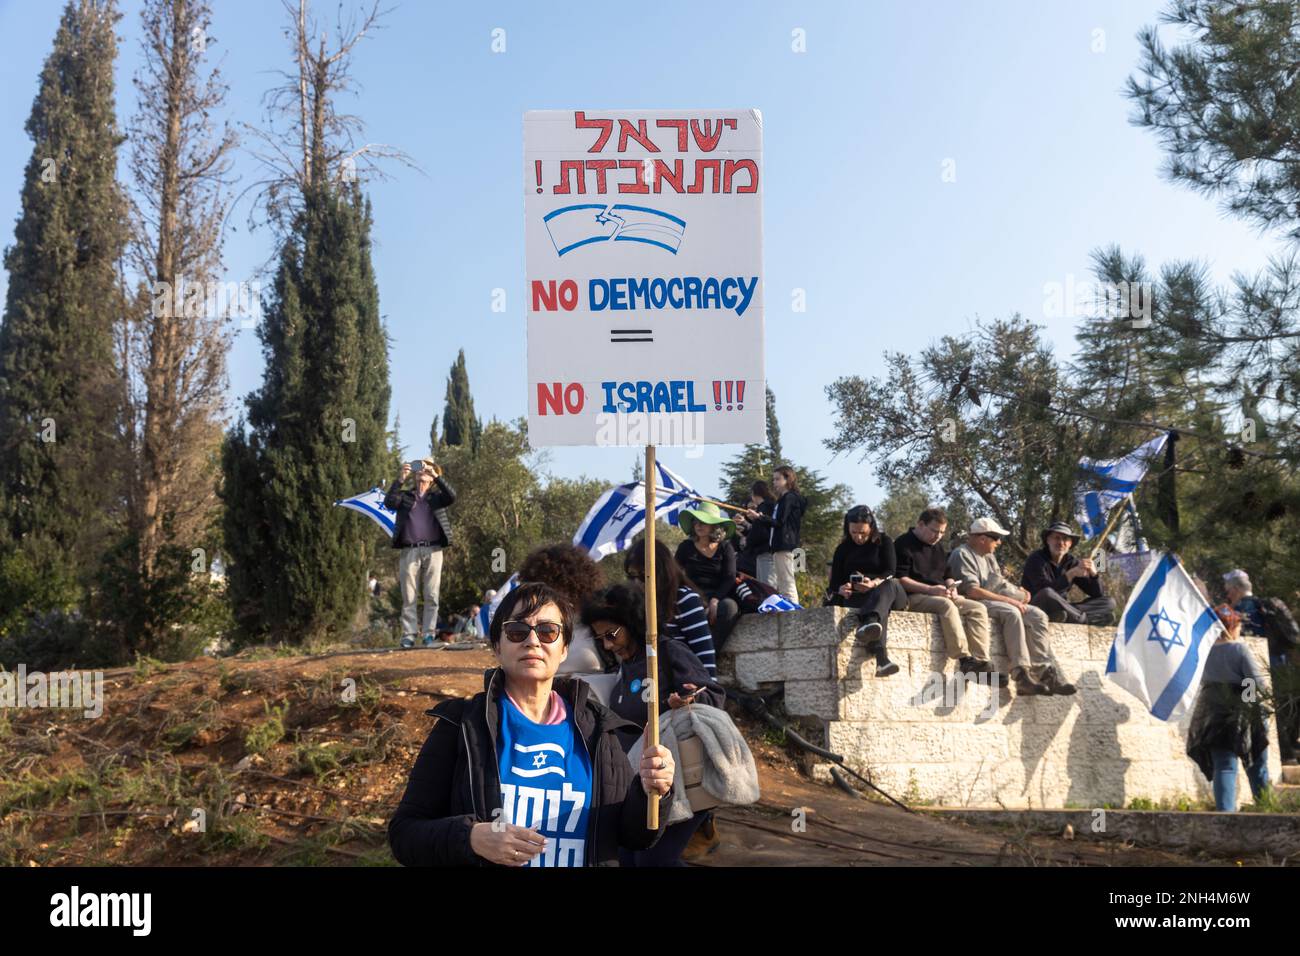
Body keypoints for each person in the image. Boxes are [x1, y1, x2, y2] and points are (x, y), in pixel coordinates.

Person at [387, 582, 676, 866]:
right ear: (497, 647)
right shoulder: (461, 726)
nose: (533, 641)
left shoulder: (599, 731)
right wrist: (472, 837)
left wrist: (654, 791)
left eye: (548, 631)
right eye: (516, 630)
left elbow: (635, 836)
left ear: (564, 649)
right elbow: (405, 836)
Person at [582, 583, 725, 866]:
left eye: (611, 635)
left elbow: (714, 695)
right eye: (600, 639)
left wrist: (688, 699)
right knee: (627, 857)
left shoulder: (669, 653)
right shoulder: (623, 665)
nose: (608, 645)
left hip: (682, 782)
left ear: (632, 621)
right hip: (640, 787)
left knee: (654, 860)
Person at [947, 517, 1074, 696]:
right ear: (982, 538)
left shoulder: (988, 556)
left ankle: (1045, 672)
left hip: (993, 600)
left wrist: (1019, 594)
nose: (999, 542)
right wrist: (1011, 601)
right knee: (1012, 612)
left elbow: (998, 583)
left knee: (1037, 615)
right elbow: (973, 591)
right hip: (973, 602)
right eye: (996, 538)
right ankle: (1021, 675)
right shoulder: (962, 554)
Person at [1186, 605, 1272, 812]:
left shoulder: (1202, 650)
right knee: (1257, 761)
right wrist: (1249, 704)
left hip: (1211, 712)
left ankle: (1225, 815)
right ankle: (1265, 809)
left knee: (1224, 765)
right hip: (1241, 709)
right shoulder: (1238, 649)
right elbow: (1256, 682)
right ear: (1232, 627)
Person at [894, 507, 995, 677]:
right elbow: (901, 579)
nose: (938, 536)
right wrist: (930, 589)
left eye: (942, 532)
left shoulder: (938, 547)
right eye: (935, 531)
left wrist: (952, 587)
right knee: (946, 605)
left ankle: (981, 661)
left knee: (978, 608)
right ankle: (964, 658)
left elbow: (947, 574)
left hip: (940, 593)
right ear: (920, 524)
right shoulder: (903, 544)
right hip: (914, 596)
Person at [518, 544, 616, 704]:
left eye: (555, 588)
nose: (549, 597)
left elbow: (628, 673)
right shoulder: (528, 631)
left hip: (598, 716)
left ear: (575, 586)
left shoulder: (601, 626)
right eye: (541, 589)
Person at [1224, 569, 1299, 764]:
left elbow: (1242, 645)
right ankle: (1290, 749)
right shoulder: (1265, 605)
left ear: (1236, 589)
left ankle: (1275, 753)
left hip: (1253, 672)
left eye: (1229, 588)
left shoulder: (1238, 611)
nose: (1227, 592)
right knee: (1284, 706)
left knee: (1253, 707)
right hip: (1282, 666)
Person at [827, 505, 908, 677]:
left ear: (871, 527)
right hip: (862, 598)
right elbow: (834, 584)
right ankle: (882, 659)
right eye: (854, 532)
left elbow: (891, 571)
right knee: (878, 611)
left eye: (863, 532)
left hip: (889, 591)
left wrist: (873, 583)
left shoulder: (884, 541)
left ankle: (870, 621)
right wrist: (842, 589)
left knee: (887, 587)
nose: (858, 537)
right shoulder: (842, 549)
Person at [384, 458, 456, 649]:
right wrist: (400, 479)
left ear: (432, 476)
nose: (422, 471)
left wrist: (436, 476)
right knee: (409, 596)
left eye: (426, 469)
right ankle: (408, 635)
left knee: (432, 594)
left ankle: (429, 635)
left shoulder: (436, 498)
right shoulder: (406, 497)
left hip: (433, 550)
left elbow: (452, 496)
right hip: (410, 551)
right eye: (419, 468)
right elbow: (389, 501)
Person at [625, 538, 718, 677]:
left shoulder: (685, 600)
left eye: (644, 575)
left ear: (660, 570)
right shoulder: (635, 605)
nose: (638, 582)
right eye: (632, 576)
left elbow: (705, 659)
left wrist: (705, 695)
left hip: (682, 687)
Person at [674, 501, 742, 653]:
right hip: (692, 595)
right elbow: (674, 574)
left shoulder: (725, 547)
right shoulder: (685, 547)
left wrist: (715, 600)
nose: (699, 525)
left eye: (704, 522)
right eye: (696, 521)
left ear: (715, 526)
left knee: (730, 607)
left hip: (719, 596)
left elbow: (730, 577)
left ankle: (709, 656)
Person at [1021, 522, 1116, 626]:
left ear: (1070, 544)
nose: (1061, 543)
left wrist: (1094, 574)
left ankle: (1064, 616)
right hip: (1037, 605)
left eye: (1065, 539)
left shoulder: (1072, 562)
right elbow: (1043, 590)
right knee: (1047, 593)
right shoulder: (1036, 559)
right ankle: (1084, 619)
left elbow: (1097, 594)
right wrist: (1070, 575)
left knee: (1109, 602)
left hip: (1063, 607)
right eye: (1057, 538)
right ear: (1048, 540)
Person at [743, 466, 805, 604]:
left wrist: (760, 517)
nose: (774, 483)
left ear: (788, 479)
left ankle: (792, 612)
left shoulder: (790, 497)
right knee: (783, 584)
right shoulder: (783, 499)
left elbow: (780, 522)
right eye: (774, 479)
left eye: (778, 479)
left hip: (785, 544)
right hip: (778, 545)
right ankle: (787, 609)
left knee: (786, 583)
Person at [740, 481, 776, 585]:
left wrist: (749, 541)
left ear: (754, 494)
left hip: (765, 551)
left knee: (768, 586)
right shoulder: (771, 506)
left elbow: (759, 532)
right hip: (767, 551)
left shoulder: (764, 507)